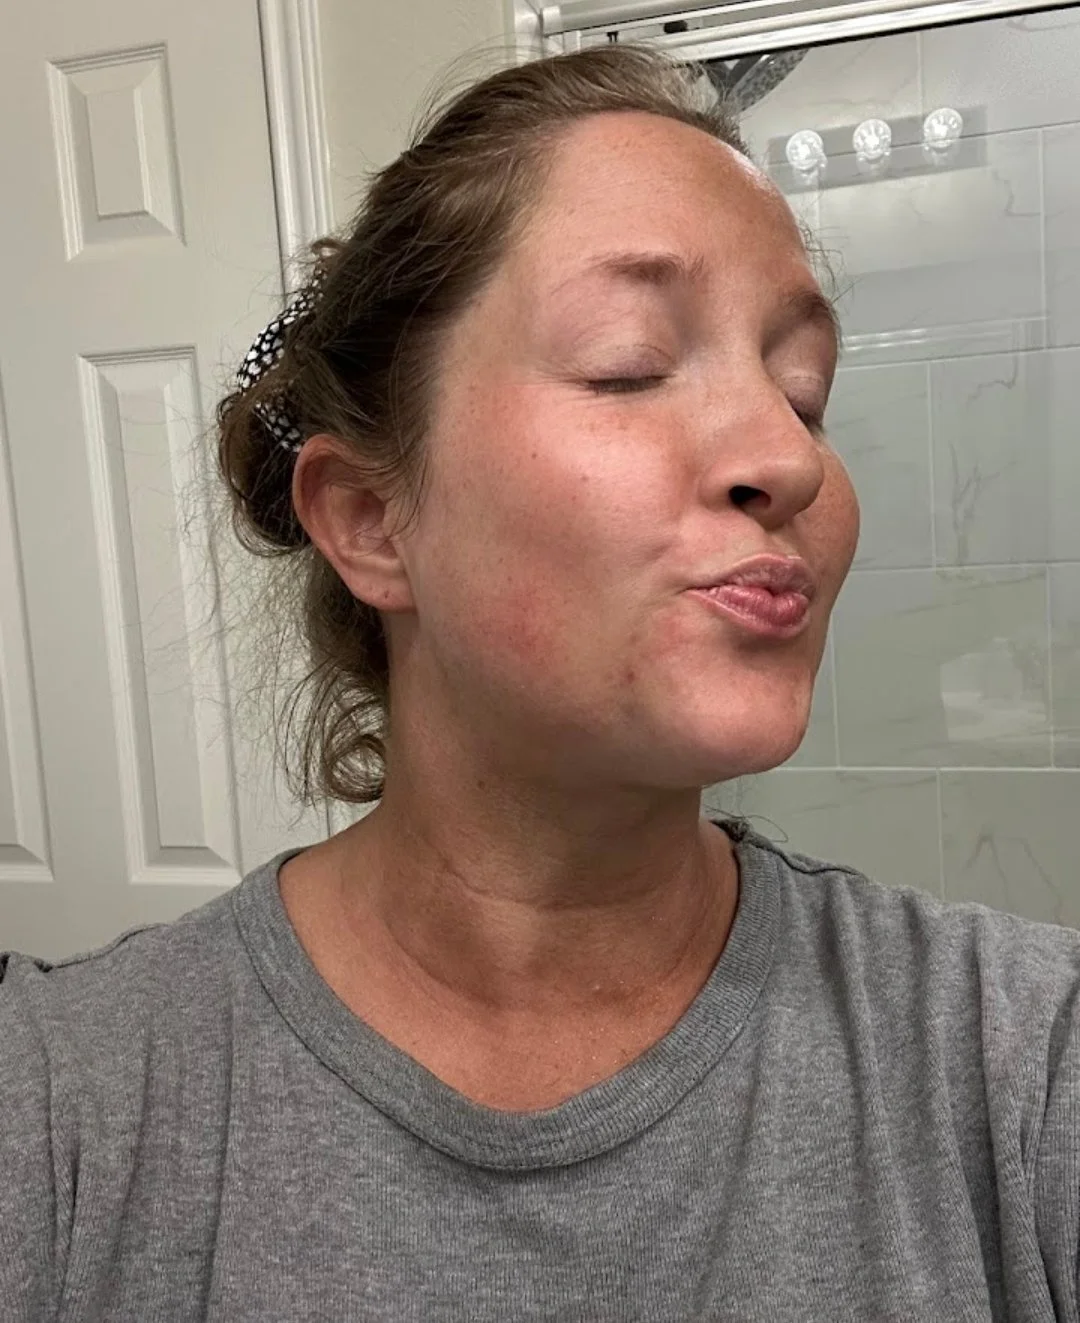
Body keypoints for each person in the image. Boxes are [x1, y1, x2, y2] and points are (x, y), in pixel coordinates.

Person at [3, 43, 1079, 1323]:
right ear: (371, 521)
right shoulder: (62, 1111)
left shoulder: (1021, 1064)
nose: (786, 459)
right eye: (629, 364)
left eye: (806, 392)